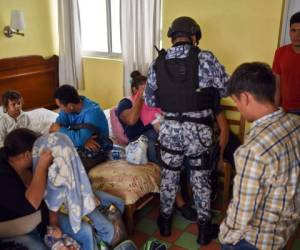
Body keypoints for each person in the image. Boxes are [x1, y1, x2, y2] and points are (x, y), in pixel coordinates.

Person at [145, 16, 228, 245]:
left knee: (169, 176)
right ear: (194, 36)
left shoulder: (157, 63)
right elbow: (226, 88)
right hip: (198, 129)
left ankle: (164, 223)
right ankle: (203, 231)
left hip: (169, 128)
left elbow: (150, 100)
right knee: (200, 178)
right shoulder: (205, 57)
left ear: (172, 37)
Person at [0, 128, 125, 250]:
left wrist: (54, 222)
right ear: (27, 155)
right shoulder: (5, 176)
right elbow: (30, 205)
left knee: (86, 231)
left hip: (43, 216)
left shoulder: (31, 164)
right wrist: (41, 167)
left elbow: (50, 193)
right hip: (15, 227)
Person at [219, 62, 300, 250]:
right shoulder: (296, 123)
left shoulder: (252, 151)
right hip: (286, 228)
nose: (238, 107)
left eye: (236, 102)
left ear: (245, 97)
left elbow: (241, 216)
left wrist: (225, 236)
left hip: (257, 241)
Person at [116, 71, 197, 222]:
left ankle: (191, 195)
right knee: (168, 161)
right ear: (135, 89)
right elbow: (132, 120)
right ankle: (180, 203)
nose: (150, 91)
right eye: (145, 88)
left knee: (184, 151)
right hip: (141, 142)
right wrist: (140, 97)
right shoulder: (125, 103)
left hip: (158, 135)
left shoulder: (152, 102)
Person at [49, 84, 111, 171]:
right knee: (49, 156)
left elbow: (76, 137)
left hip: (97, 148)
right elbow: (53, 129)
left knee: (69, 169)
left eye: (60, 106)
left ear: (70, 106)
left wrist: (78, 140)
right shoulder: (68, 110)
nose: (60, 110)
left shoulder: (92, 112)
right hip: (81, 145)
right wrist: (81, 141)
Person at [272, 11, 300, 114]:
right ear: (289, 31)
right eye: (293, 30)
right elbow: (277, 85)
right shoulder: (280, 52)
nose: (297, 35)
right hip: (284, 109)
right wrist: (274, 111)